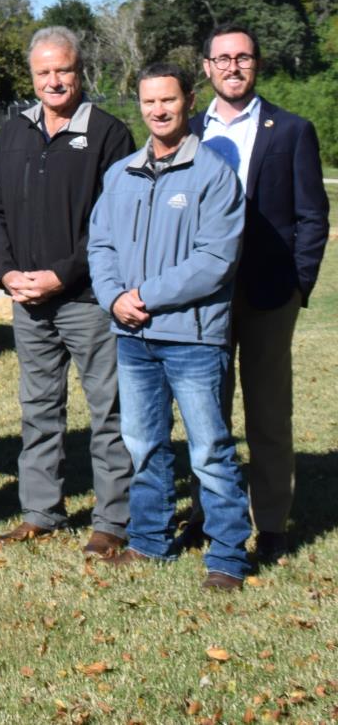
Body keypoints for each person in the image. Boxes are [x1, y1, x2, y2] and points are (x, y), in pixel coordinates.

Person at [89, 63, 249, 589]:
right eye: (149, 102)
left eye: (168, 101)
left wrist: (144, 296)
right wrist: (114, 298)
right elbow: (102, 245)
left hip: (193, 337)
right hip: (133, 337)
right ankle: (150, 541)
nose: (158, 110)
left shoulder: (212, 173)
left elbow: (214, 260)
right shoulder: (121, 174)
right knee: (142, 444)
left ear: (188, 101)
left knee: (208, 450)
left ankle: (227, 555)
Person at [0, 26, 136, 554]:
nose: (54, 80)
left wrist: (63, 274)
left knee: (108, 412)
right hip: (27, 302)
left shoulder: (110, 134)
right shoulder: (14, 132)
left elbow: (113, 222)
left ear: (80, 71)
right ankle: (41, 511)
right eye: (43, 72)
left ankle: (113, 521)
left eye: (63, 70)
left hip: (87, 301)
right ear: (32, 76)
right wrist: (7, 272)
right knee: (38, 409)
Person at [189, 24, 328, 560]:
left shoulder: (290, 130)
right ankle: (208, 516)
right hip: (205, 295)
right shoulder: (187, 130)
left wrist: (299, 285)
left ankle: (271, 522)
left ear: (257, 64)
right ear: (207, 67)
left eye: (242, 57)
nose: (232, 67)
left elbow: (312, 215)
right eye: (222, 58)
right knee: (207, 414)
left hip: (271, 293)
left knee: (268, 414)